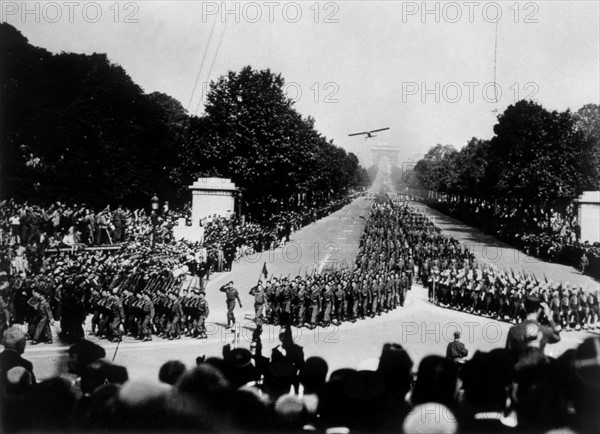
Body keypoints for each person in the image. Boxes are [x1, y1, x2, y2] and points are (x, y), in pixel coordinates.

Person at [506, 295, 560, 361]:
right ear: (538, 310)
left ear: (525, 308)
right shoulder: (544, 331)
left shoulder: (514, 330)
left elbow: (507, 354)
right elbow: (557, 337)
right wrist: (549, 317)